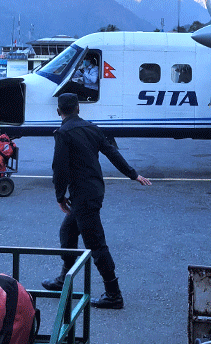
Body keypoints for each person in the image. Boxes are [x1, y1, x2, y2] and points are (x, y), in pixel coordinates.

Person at [42, 92, 151, 309]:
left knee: (96, 244)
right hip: (93, 190)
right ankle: (65, 278)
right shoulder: (92, 128)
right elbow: (112, 153)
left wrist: (59, 197)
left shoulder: (64, 133)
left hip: (83, 196)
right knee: (68, 232)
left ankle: (114, 294)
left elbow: (59, 168)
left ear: (58, 111)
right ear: (78, 108)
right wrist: (133, 174)